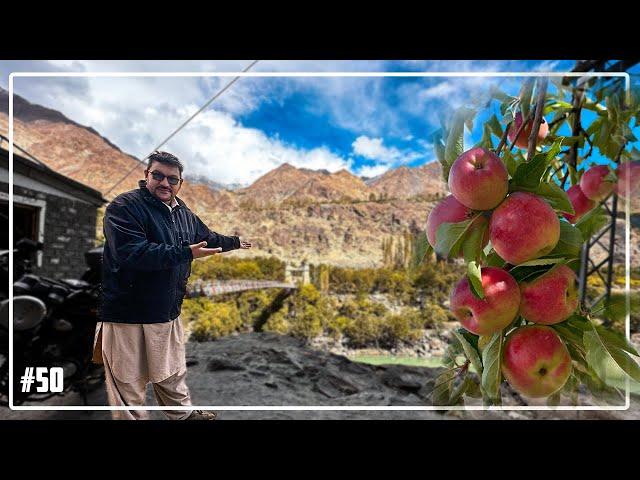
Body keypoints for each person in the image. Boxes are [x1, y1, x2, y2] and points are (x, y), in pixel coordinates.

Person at [94, 151, 251, 420]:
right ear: (147, 176)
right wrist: (186, 253)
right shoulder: (124, 207)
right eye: (158, 176)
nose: (165, 183)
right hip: (127, 313)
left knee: (171, 370)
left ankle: (182, 415)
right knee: (127, 381)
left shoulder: (183, 213)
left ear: (180, 183)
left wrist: (235, 242)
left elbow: (208, 238)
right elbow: (133, 253)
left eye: (172, 179)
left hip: (166, 310)